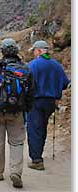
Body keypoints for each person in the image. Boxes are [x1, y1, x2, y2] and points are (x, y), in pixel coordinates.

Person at [0, 38, 34, 188]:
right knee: (17, 142)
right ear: (16, 51)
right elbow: (31, 93)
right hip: (17, 112)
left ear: (2, 51)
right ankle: (16, 172)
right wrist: (26, 110)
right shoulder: (26, 69)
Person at [27, 40, 70, 171]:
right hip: (52, 102)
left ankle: (36, 160)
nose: (33, 54)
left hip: (36, 101)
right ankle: (38, 154)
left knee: (34, 128)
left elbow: (27, 84)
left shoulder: (33, 65)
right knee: (43, 127)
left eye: (34, 51)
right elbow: (65, 84)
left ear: (39, 51)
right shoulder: (57, 65)